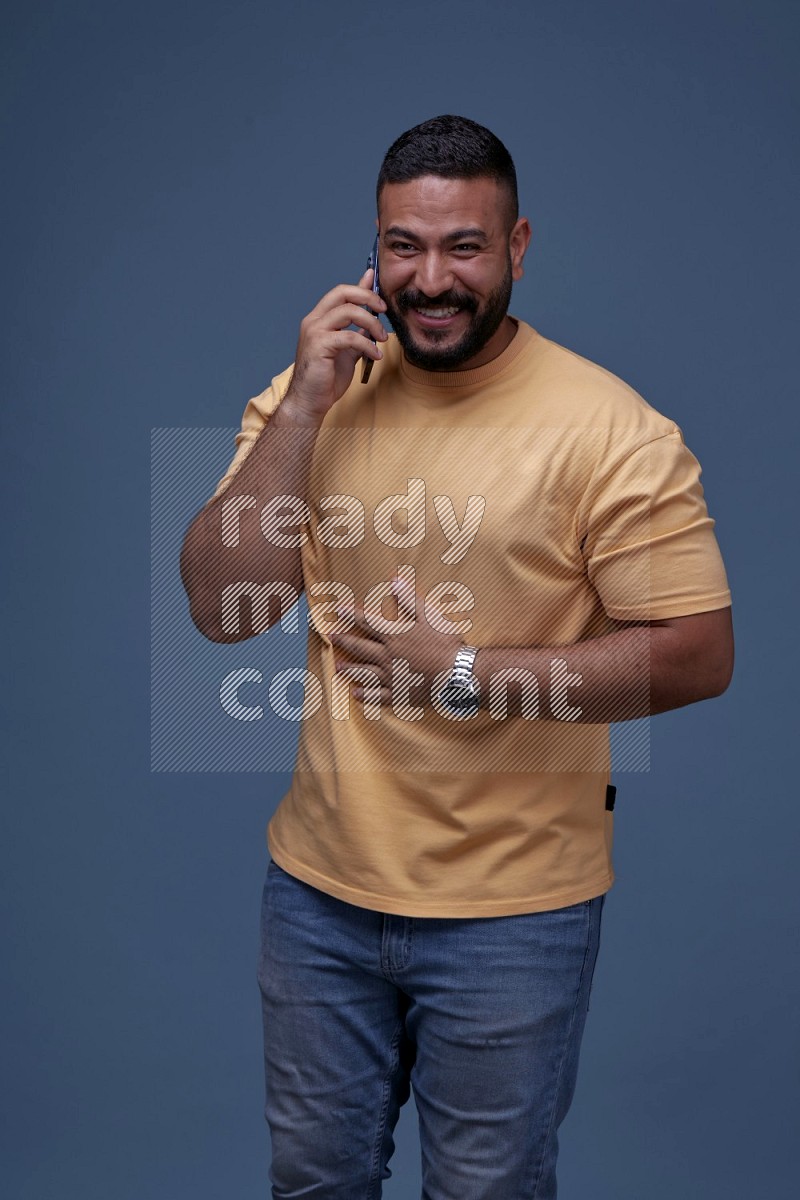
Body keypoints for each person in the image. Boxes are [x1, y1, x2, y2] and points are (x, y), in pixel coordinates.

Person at [180, 115, 733, 1199]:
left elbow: (699, 655)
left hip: (513, 914)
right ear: (373, 250)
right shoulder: (315, 396)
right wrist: (300, 405)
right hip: (317, 896)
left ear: (516, 247)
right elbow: (218, 608)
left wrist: (469, 670)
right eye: (403, 247)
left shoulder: (611, 430)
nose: (429, 279)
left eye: (463, 247)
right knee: (309, 1185)